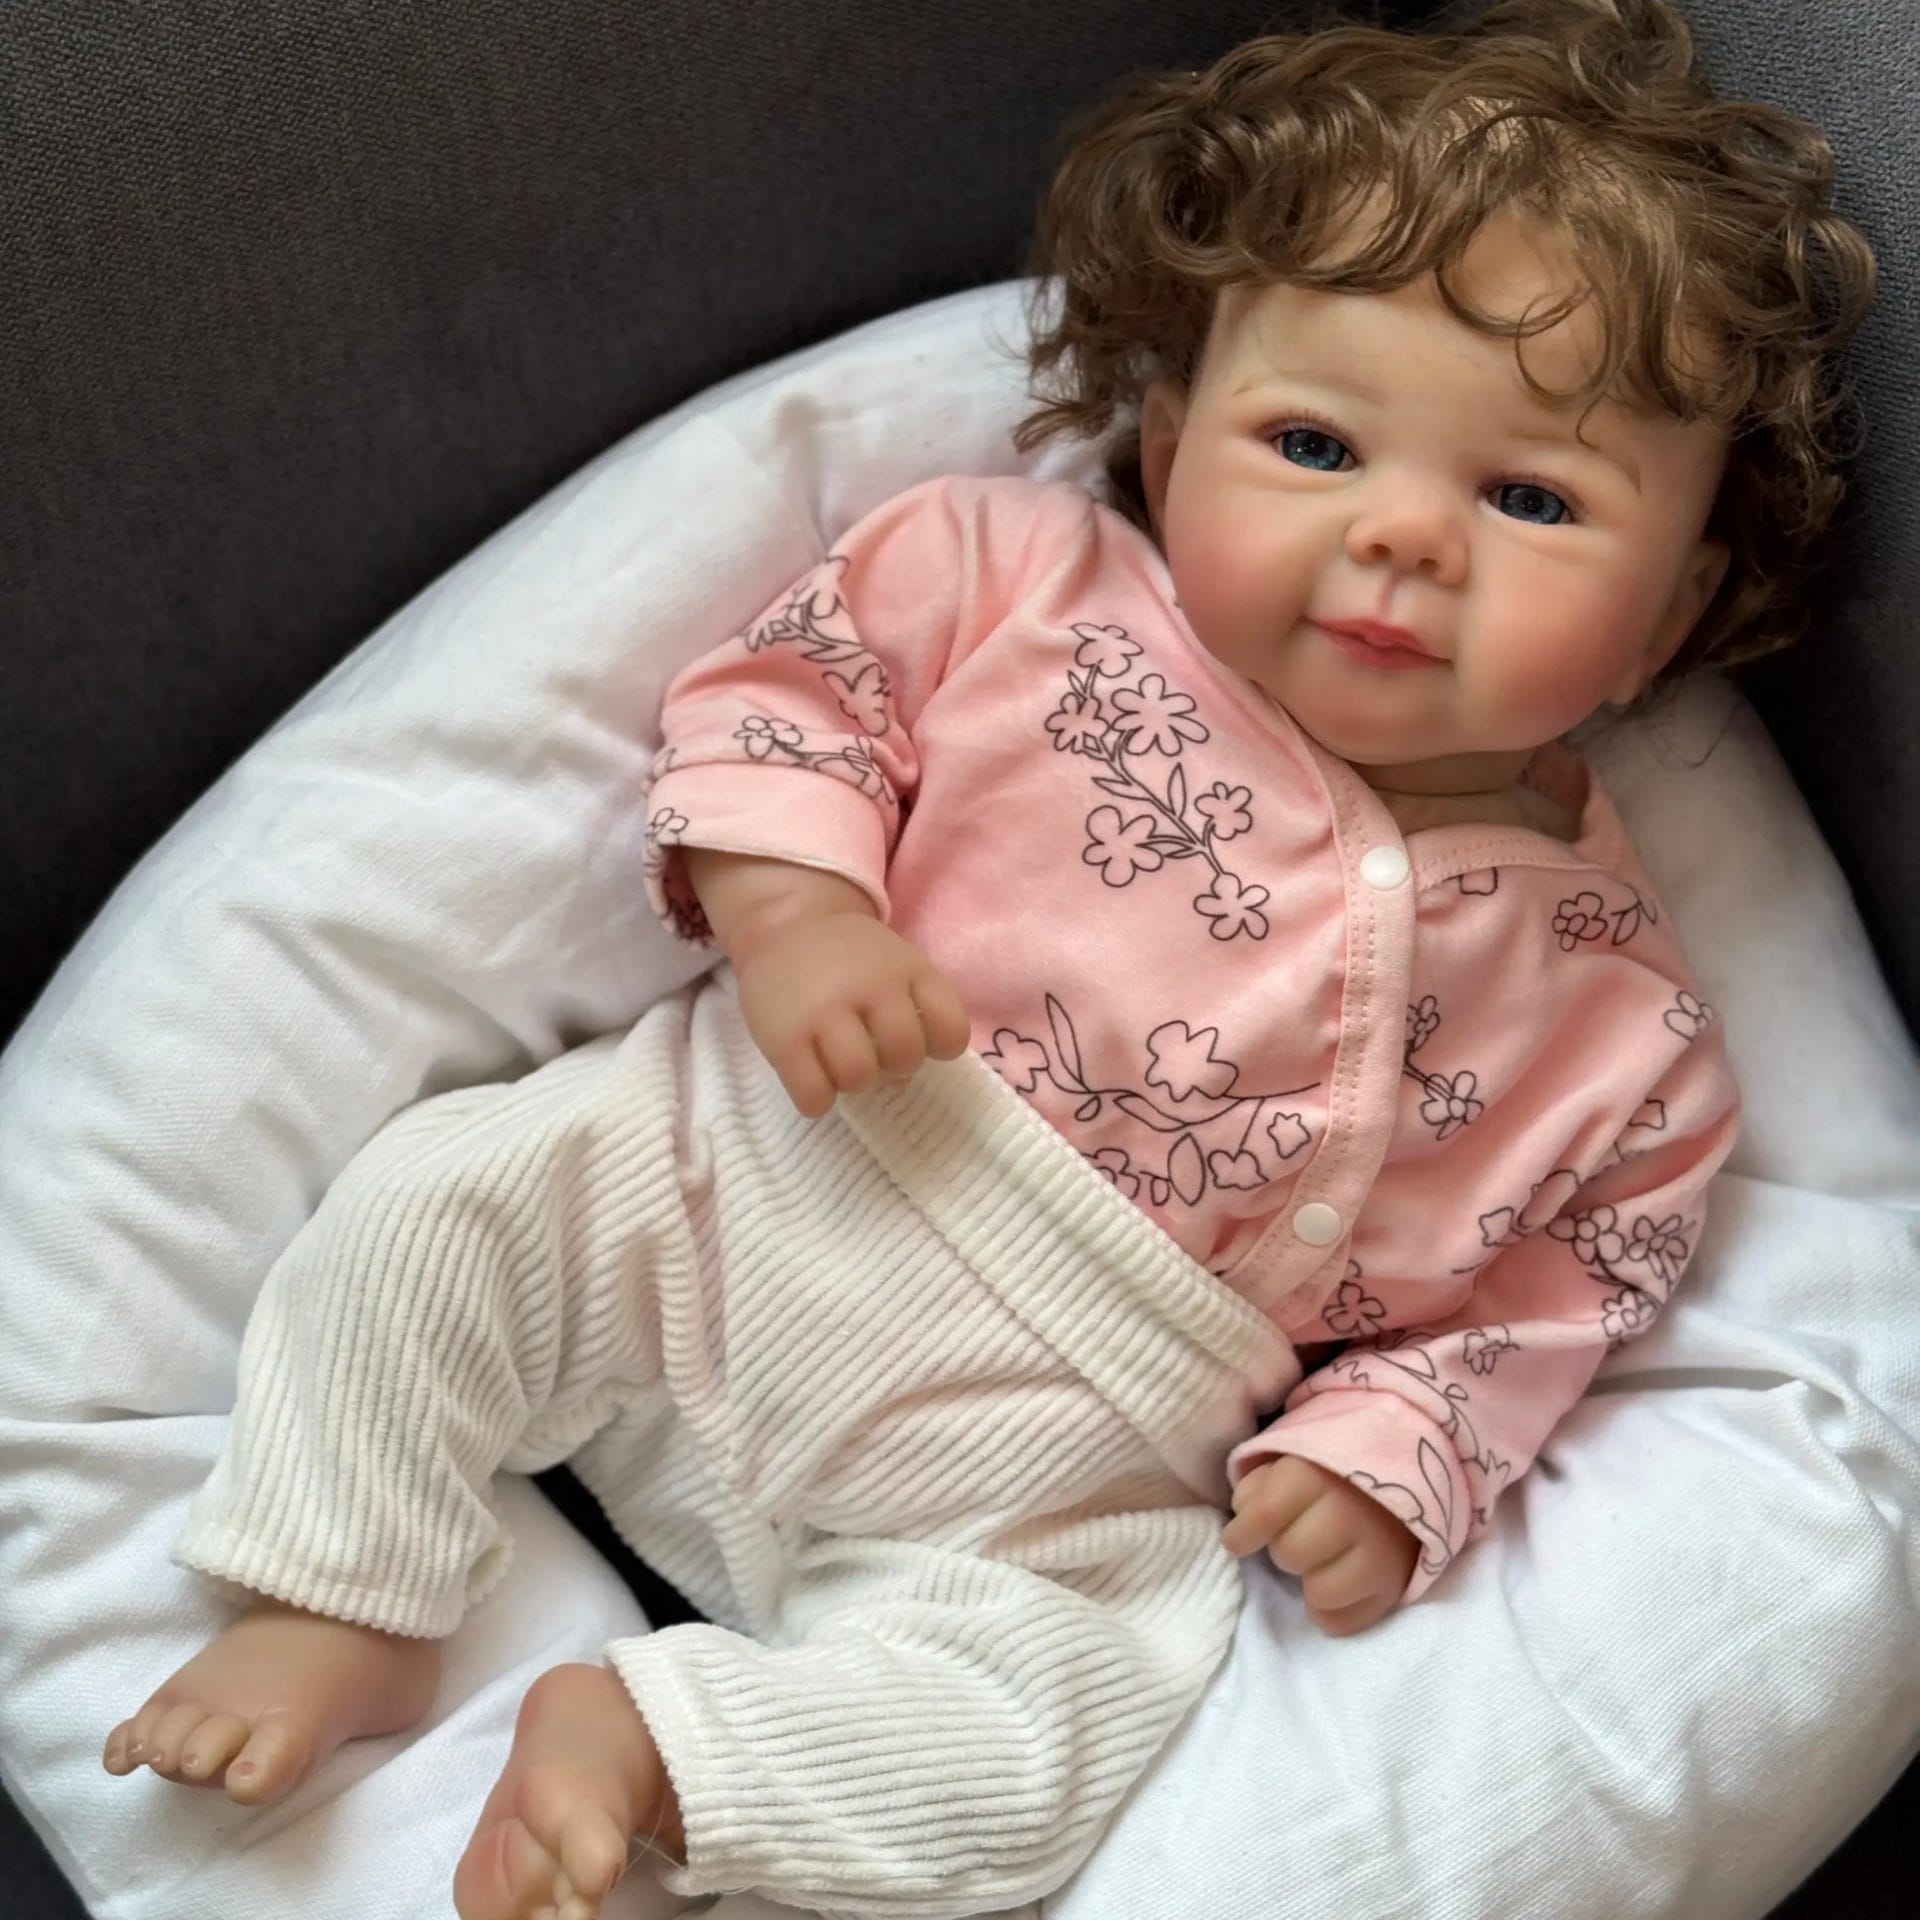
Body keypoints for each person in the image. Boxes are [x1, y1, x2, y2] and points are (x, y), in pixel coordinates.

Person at [100, 3, 1875, 1917]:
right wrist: (799, 914)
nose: (1403, 540)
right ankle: (346, 1594)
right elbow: (786, 702)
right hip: (752, 1173)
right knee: (436, 1210)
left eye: (1529, 499)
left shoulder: (1622, 1023)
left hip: (1073, 1448)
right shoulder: (1013, 582)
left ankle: (665, 1752)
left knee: (1060, 1724)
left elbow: (1560, 1290)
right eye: (1313, 444)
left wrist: (1391, 1451)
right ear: (1171, 445)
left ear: (1666, 615)